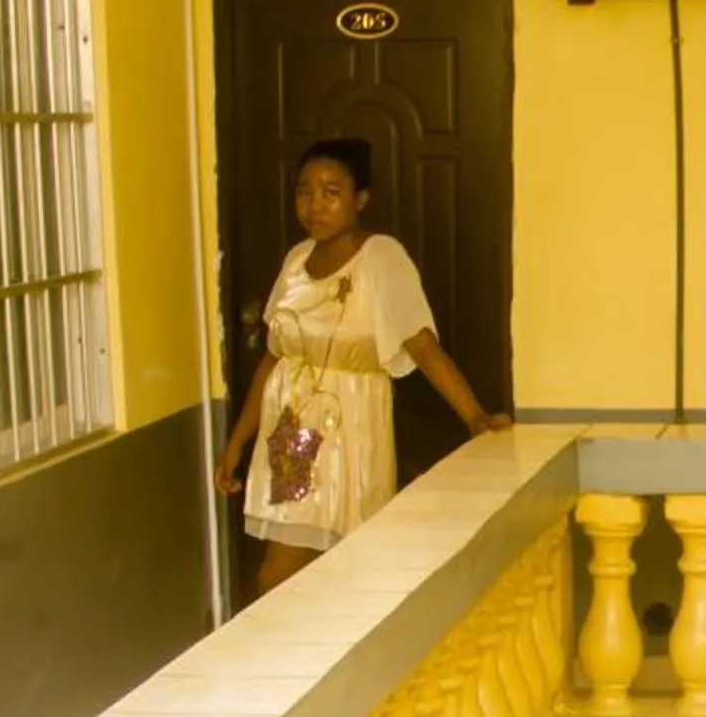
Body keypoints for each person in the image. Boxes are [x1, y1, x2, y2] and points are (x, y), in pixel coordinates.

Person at [214, 138, 510, 594]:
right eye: (305, 191)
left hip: (350, 431)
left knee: (348, 568)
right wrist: (237, 442)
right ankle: (294, 662)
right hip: (291, 436)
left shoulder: (381, 258)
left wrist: (474, 417)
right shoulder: (296, 261)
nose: (315, 205)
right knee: (280, 573)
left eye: (331, 192)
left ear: (361, 199)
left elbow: (423, 346)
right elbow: (272, 359)